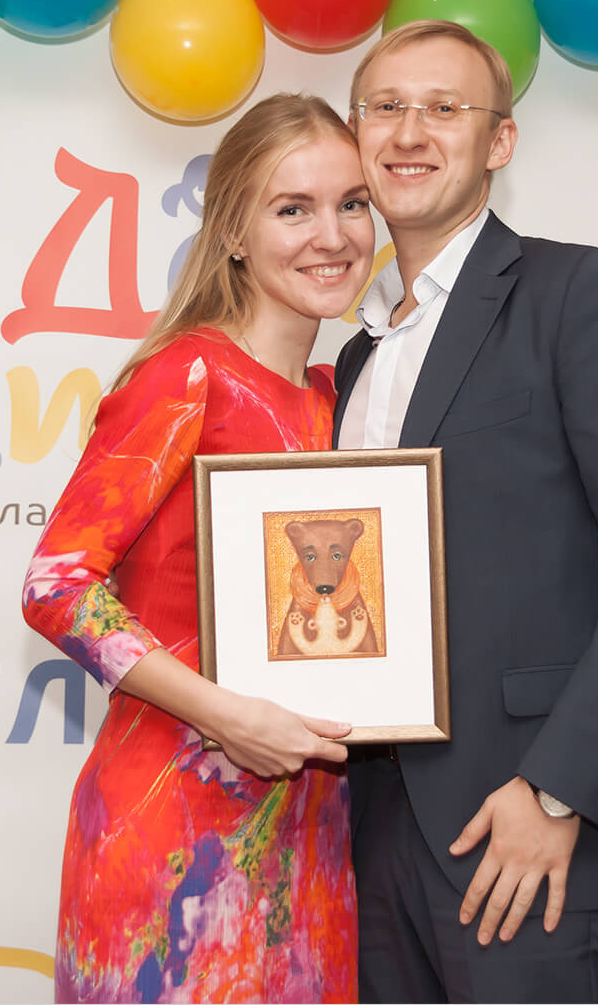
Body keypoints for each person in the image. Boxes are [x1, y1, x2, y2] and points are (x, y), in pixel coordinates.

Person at [334, 21, 598, 1004]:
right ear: (356, 136)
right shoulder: (356, 356)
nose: (409, 131)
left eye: (444, 108)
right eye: (385, 107)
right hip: (373, 834)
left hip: (533, 834)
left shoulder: (579, 293)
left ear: (499, 142)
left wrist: (556, 792)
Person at [21, 93, 375, 1004]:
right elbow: (57, 586)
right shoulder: (188, 373)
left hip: (313, 843)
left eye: (352, 203)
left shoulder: (347, 400)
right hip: (172, 838)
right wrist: (227, 714)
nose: (332, 235)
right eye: (292, 209)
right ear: (233, 234)